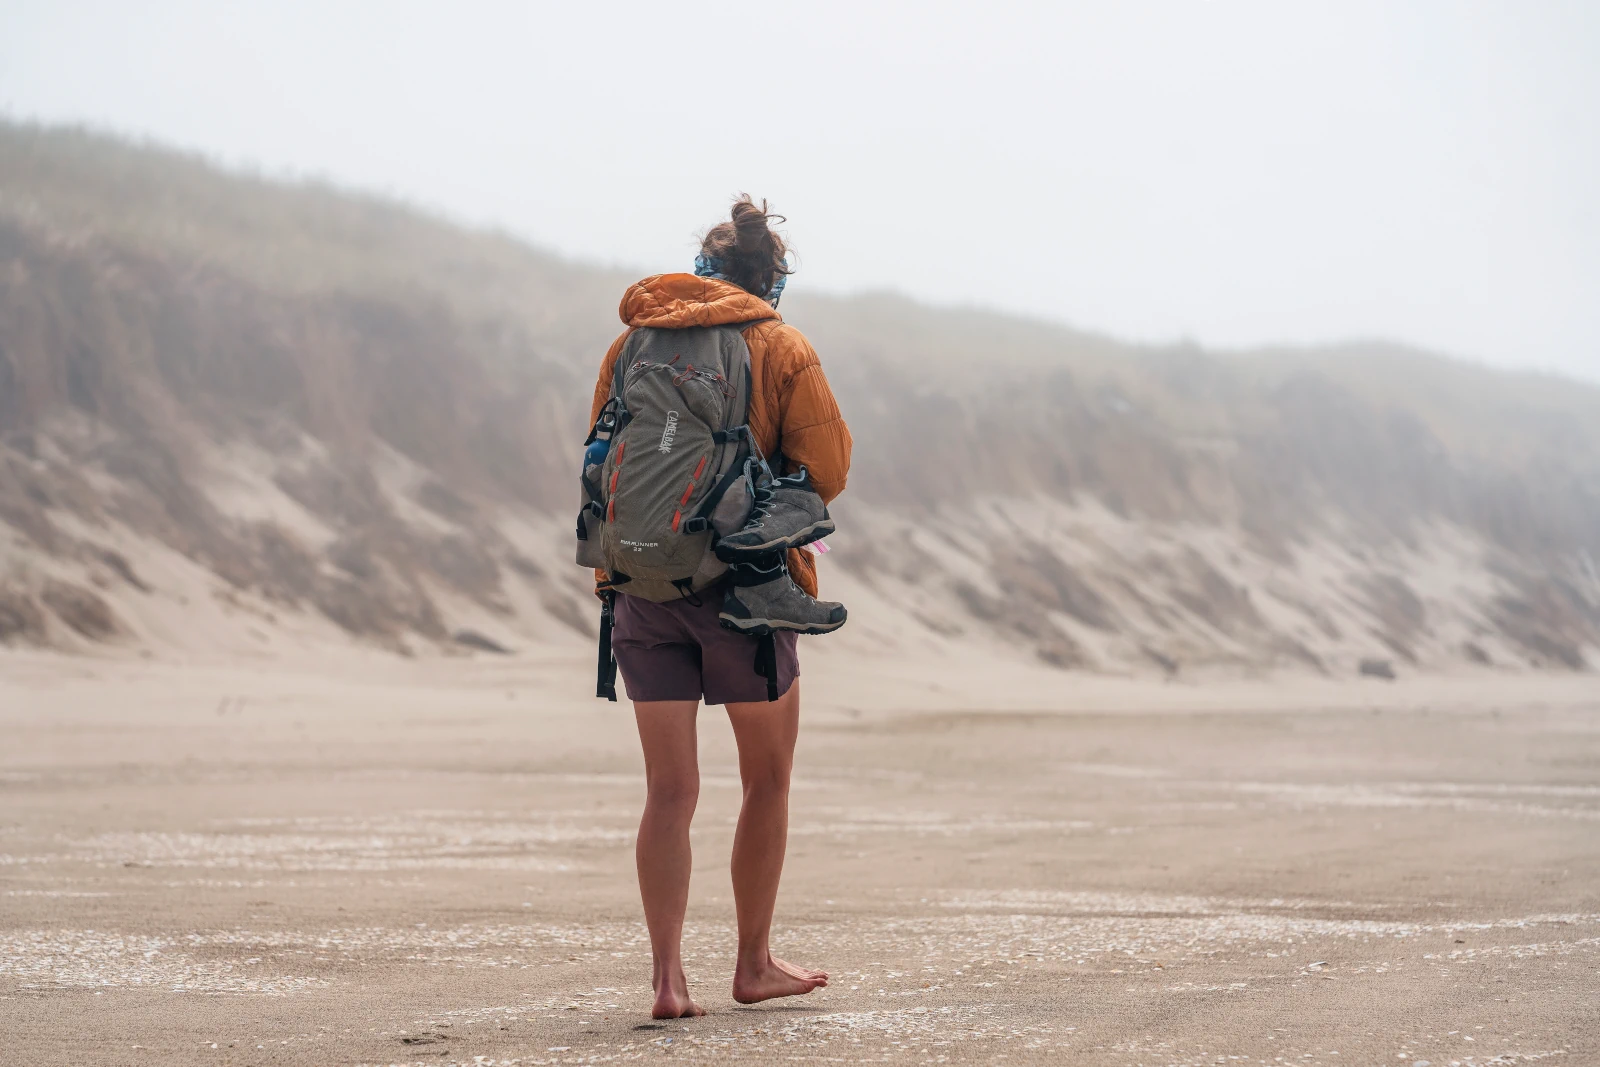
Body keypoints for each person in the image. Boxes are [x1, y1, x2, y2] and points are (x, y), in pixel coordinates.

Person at [587, 196, 852, 1018]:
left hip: (642, 588)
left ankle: (668, 980)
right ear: (770, 278)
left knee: (669, 789)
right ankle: (753, 961)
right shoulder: (780, 344)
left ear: (700, 271)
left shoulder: (632, 342)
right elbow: (828, 466)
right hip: (746, 593)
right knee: (765, 779)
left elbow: (602, 454)